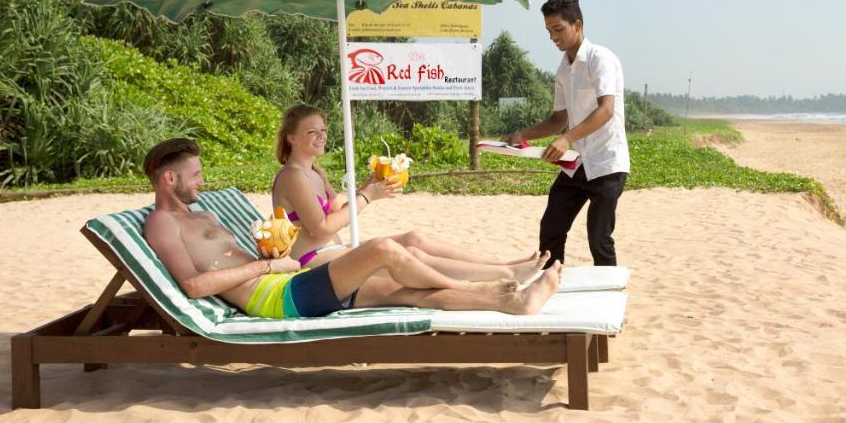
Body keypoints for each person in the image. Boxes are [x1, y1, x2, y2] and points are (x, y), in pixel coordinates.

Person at [141, 138, 561, 319]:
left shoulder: (204, 215)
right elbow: (195, 286)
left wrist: (270, 253)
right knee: (383, 250)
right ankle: (486, 289)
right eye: (194, 175)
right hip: (278, 297)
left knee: (405, 294)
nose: (202, 181)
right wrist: (267, 269)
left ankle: (513, 303)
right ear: (169, 180)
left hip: (287, 282)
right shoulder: (162, 224)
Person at [272, 104, 548, 282]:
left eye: (323, 130)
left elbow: (337, 210)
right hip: (314, 263)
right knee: (413, 255)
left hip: (337, 250)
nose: (321, 136)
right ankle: (505, 274)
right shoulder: (293, 176)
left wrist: (369, 185)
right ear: (292, 138)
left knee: (413, 239)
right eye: (311, 132)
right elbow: (320, 228)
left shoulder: (316, 172)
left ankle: (503, 263)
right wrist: (369, 197)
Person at [506, 0, 630, 266]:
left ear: (577, 25)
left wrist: (567, 139)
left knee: (599, 237)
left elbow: (606, 110)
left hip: (608, 163)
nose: (553, 37)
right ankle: (549, 282)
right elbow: (557, 120)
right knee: (551, 227)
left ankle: (607, 298)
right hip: (579, 164)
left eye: (558, 29)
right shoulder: (563, 70)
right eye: (549, 31)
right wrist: (521, 135)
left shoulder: (600, 59)